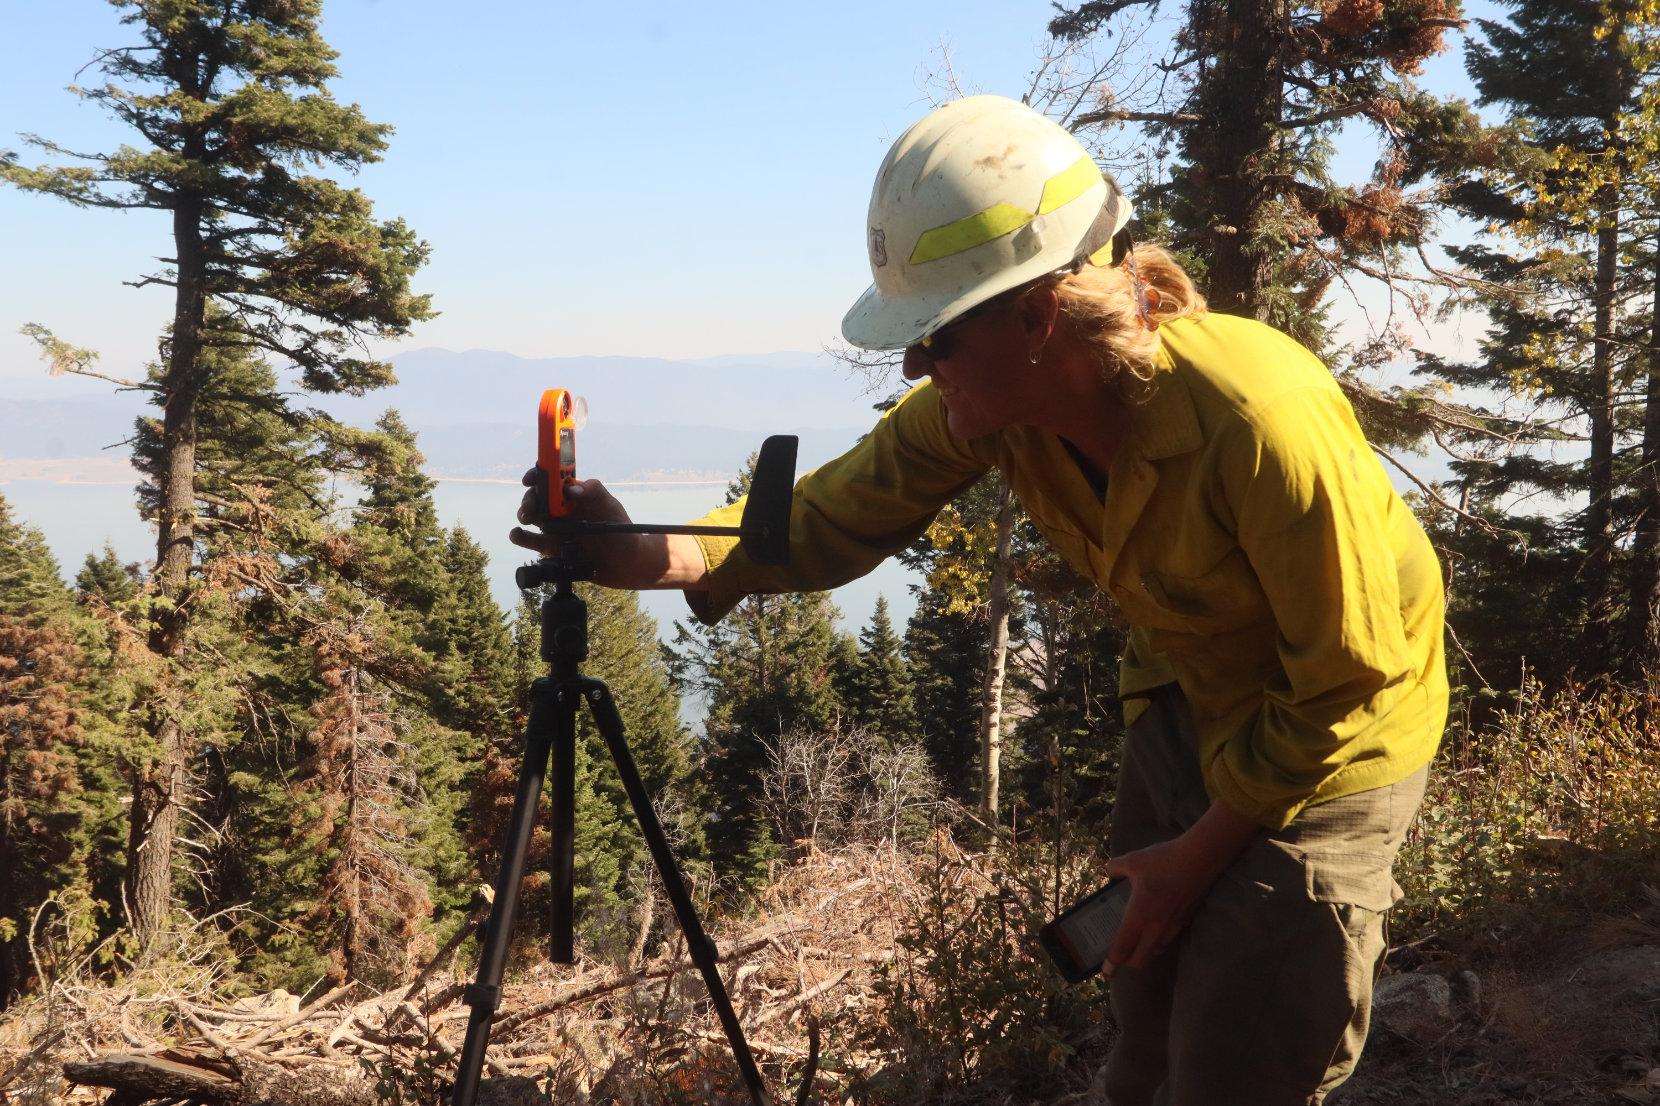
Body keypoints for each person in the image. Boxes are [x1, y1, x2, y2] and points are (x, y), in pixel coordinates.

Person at [510, 95, 1447, 1105]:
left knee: (1248, 1048)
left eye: (934, 335)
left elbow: (1347, 675)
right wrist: (641, 550)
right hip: (1188, 697)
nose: (914, 361)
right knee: (1147, 1025)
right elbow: (832, 511)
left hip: (1335, 738)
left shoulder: (1259, 418)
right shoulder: (995, 407)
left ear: (1036, 315)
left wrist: (1196, 852)